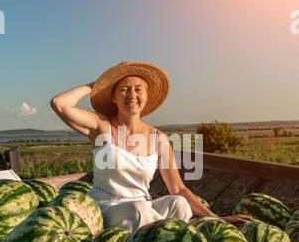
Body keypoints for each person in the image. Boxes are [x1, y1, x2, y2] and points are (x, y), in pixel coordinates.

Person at [50, 60, 252, 232]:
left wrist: (216, 218)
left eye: (138, 89)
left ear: (146, 97)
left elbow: (178, 188)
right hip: (106, 207)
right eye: (124, 89)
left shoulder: (158, 138)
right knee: (137, 209)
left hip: (142, 208)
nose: (132, 95)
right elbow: (59, 103)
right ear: (113, 97)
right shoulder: (101, 126)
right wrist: (95, 85)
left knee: (179, 205)